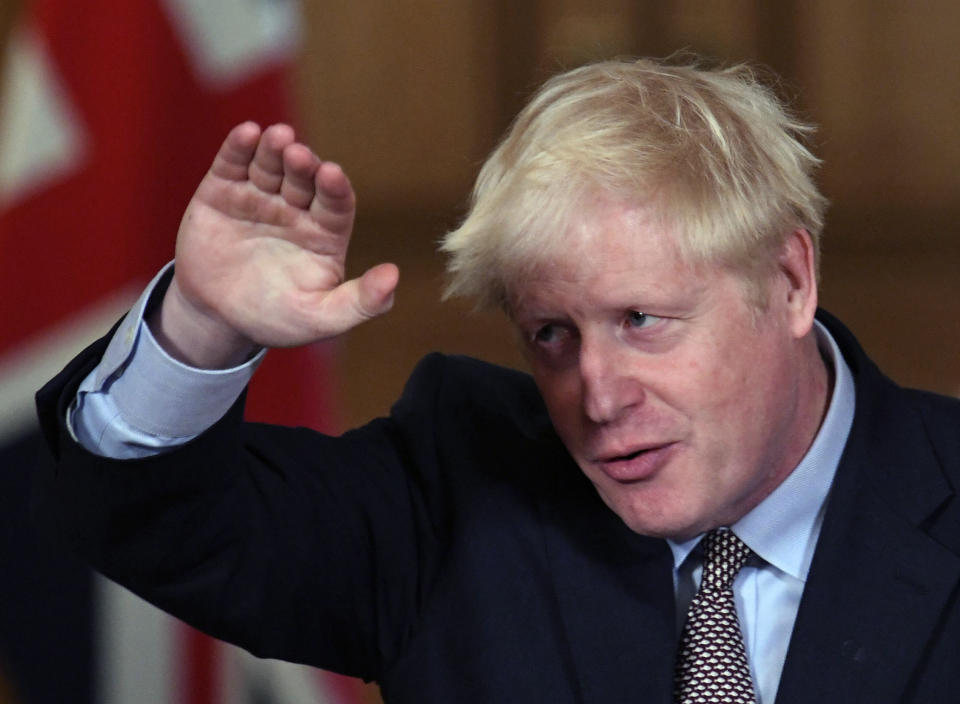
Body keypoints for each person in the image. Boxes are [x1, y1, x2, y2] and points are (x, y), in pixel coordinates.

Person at [36, 57, 960, 703]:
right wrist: (203, 323)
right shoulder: (454, 498)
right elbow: (146, 518)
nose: (598, 396)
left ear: (790, 281)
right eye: (552, 334)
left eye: (642, 321)